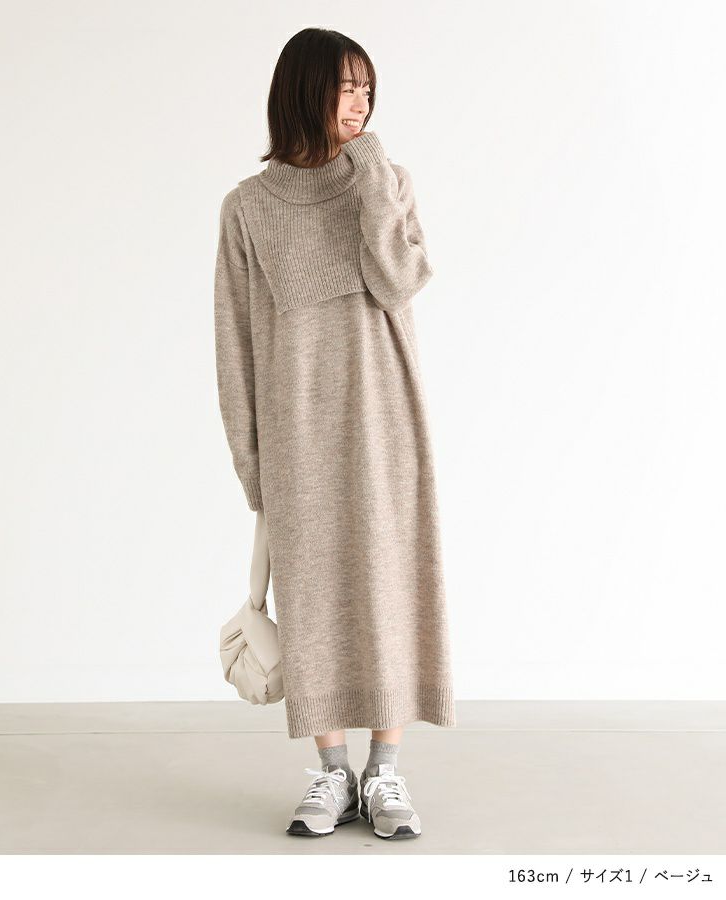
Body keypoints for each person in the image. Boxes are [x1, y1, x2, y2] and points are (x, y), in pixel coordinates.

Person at [214, 27, 456, 840]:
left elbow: (401, 279)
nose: (360, 102)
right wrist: (252, 461)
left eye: (367, 89)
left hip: (385, 417)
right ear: (304, 89)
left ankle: (385, 770)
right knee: (313, 598)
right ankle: (331, 772)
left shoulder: (386, 181)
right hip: (297, 433)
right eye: (346, 87)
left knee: (389, 585)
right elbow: (234, 342)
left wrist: (373, 172)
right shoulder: (248, 208)